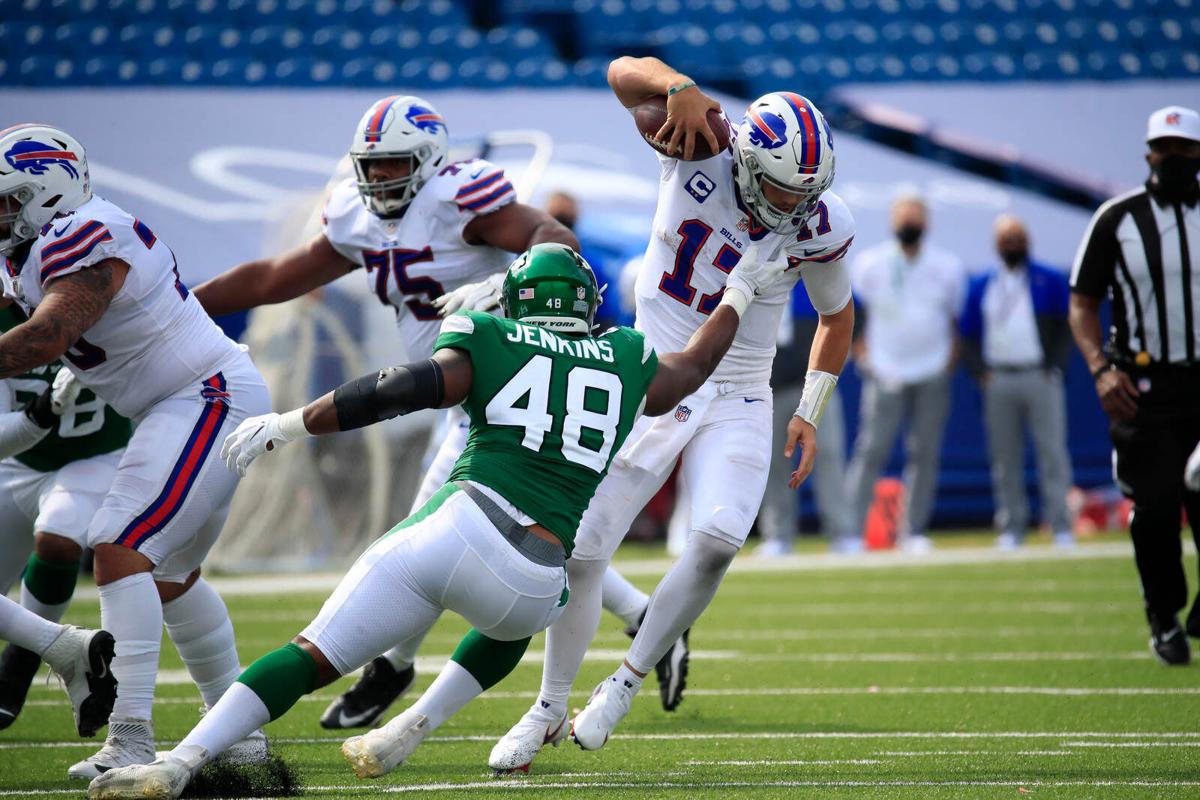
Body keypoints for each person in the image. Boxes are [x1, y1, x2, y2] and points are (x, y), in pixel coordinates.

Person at [85, 241, 788, 800]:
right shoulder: (626, 355)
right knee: (550, 597)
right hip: (533, 584)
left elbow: (403, 388)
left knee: (309, 657)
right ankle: (414, 726)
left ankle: (181, 761)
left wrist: (291, 425)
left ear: (516, 300)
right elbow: (692, 370)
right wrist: (736, 294)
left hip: (459, 529)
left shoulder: (490, 334)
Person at [193, 95, 664, 728]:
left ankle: (390, 666)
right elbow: (277, 276)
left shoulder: (457, 198)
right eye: (372, 166)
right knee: (508, 534)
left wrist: (503, 282)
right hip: (457, 394)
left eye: (393, 166)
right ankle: (642, 616)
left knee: (433, 535)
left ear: (429, 160)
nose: (379, 179)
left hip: (506, 385)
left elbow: (555, 238)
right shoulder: (358, 217)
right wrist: (179, 306)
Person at [490, 57, 855, 770]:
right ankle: (546, 708)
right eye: (783, 187)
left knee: (719, 538)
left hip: (742, 384)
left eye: (807, 192)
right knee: (584, 550)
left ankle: (625, 684)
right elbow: (622, 73)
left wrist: (808, 409)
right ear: (749, 161)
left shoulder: (820, 218)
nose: (793, 206)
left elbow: (836, 316)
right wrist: (677, 88)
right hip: (649, 374)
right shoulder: (703, 144)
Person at [0, 123, 272, 777]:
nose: (2, 213)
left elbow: (44, 337)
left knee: (120, 542)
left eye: (8, 199)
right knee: (171, 577)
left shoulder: (89, 232)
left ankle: (131, 739)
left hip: (205, 395)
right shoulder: (28, 250)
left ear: (49, 192)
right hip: (174, 404)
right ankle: (238, 736)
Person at [1069, 105, 1200, 665]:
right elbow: (1082, 302)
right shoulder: (1117, 218)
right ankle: (1163, 614)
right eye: (1162, 149)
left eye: (1182, 149)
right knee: (1154, 506)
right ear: (1148, 152)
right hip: (1144, 386)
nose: (1171, 158)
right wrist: (1101, 367)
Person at [0, 308, 132, 729]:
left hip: (94, 456)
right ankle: (61, 648)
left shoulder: (90, 289)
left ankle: (19, 666)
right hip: (14, 461)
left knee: (58, 538)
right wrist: (40, 411)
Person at [843, 194, 965, 552]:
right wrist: (862, 354)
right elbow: (851, 313)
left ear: (927, 224)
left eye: (915, 217)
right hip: (885, 370)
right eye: (903, 217)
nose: (908, 224)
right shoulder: (870, 263)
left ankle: (913, 530)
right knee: (871, 449)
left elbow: (957, 321)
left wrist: (948, 361)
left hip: (932, 368)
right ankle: (851, 531)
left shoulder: (948, 266)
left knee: (924, 452)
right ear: (891, 223)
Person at [960, 215, 1075, 550]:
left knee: (1052, 452)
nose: (1012, 245)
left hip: (1039, 374)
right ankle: (1012, 527)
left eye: (1018, 238)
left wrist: (1054, 367)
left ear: (1029, 241)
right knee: (1004, 457)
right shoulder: (983, 283)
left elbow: (1065, 327)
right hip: (999, 377)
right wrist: (981, 372)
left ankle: (1060, 525)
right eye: (1006, 239)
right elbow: (967, 333)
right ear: (996, 245)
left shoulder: (1048, 279)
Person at [757, 285, 854, 556]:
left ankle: (842, 531)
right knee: (775, 461)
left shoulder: (814, 277)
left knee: (829, 456)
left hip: (814, 388)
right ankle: (777, 534)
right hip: (769, 388)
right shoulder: (758, 278)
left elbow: (846, 315)